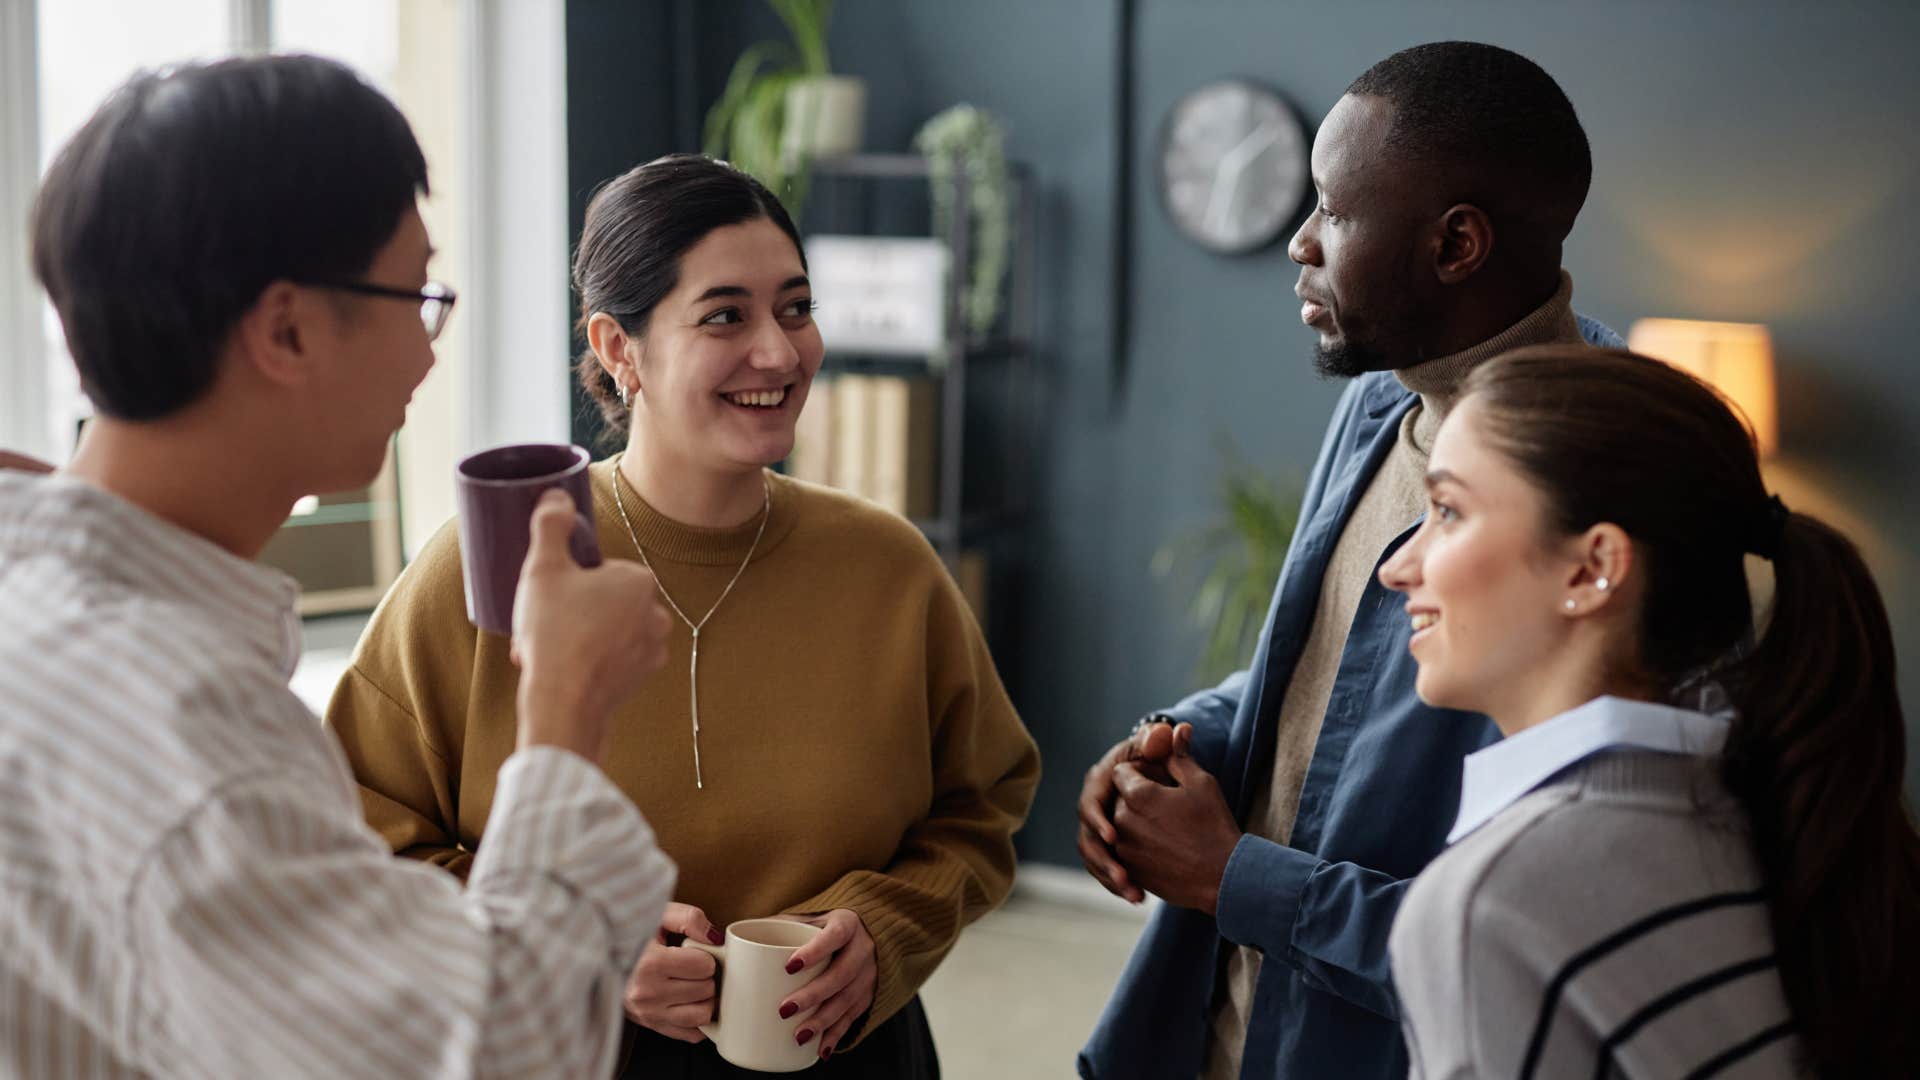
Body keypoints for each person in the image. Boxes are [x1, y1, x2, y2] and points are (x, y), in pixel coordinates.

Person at [0, 55, 679, 1077]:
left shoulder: (39, 593)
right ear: (285, 329)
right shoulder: (184, 736)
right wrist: (566, 708)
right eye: (415, 294)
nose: (427, 351)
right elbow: (488, 1051)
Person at [325, 153, 1042, 1078]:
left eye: (796, 306)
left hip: (850, 1053)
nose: (780, 352)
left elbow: (982, 809)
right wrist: (580, 943)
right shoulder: (497, 565)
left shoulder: (889, 568)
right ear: (619, 348)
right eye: (725, 316)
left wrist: (885, 928)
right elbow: (359, 839)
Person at [1078, 42, 1624, 1080]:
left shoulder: (1610, 486)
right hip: (1224, 1028)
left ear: (1456, 243)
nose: (1299, 243)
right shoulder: (1377, 402)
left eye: (1331, 209)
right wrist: (1176, 736)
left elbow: (1532, 945)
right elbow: (1320, 673)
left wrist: (1235, 877)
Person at [1380, 346, 1920, 1078]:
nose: (1397, 566)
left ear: (1593, 567)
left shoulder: (1493, 902)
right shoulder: (1771, 803)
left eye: (1448, 510)